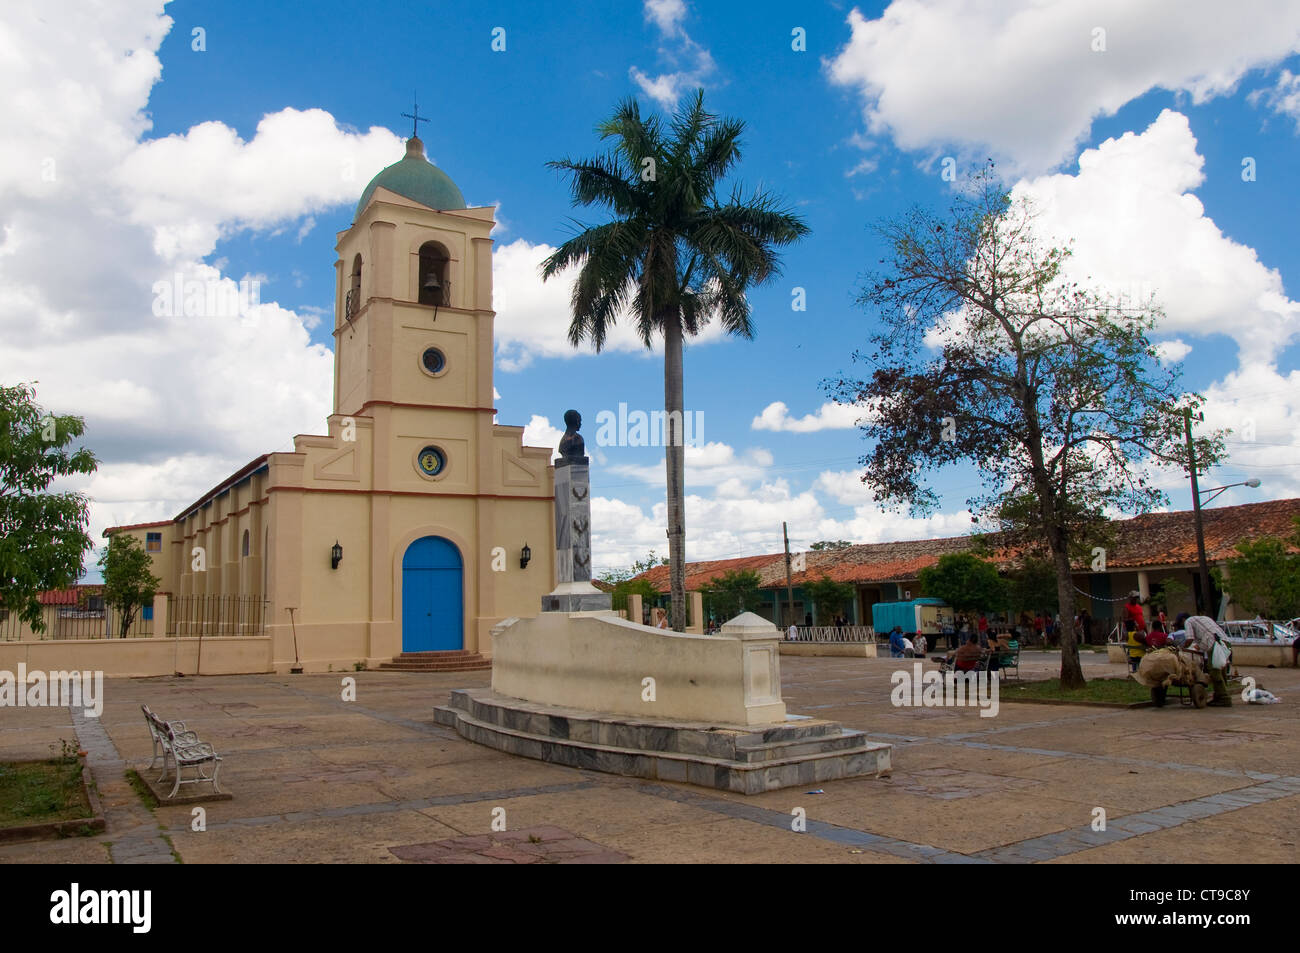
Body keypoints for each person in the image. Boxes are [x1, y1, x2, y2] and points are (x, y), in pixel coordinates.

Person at [1183, 615, 1234, 707]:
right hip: (1225, 642)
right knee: (1221, 669)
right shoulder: (1204, 618)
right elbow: (1206, 635)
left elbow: (1189, 639)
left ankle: (1224, 698)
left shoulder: (1188, 621)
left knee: (1214, 671)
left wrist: (1181, 649)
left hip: (1214, 644)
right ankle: (1219, 696)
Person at [1123, 592, 1147, 672]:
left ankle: (1140, 669)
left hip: (1141, 629)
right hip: (1132, 631)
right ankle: (1134, 667)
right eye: (1134, 598)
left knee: (1141, 649)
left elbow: (1142, 618)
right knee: (1134, 650)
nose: (1135, 599)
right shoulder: (1127, 607)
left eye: (1136, 598)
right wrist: (1134, 623)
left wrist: (1146, 630)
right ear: (1130, 598)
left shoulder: (1139, 607)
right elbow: (1125, 619)